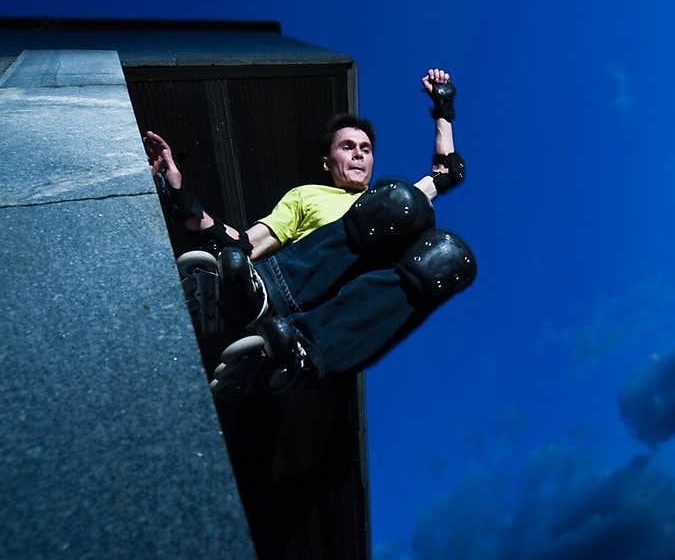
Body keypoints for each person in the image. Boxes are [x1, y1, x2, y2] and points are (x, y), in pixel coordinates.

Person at [144, 68, 476, 403]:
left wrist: (443, 109)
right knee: (397, 202)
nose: (359, 153)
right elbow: (247, 244)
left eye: (366, 148)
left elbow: (447, 172)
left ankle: (304, 353)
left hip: (329, 322)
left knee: (447, 255)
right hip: (288, 289)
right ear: (326, 162)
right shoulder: (307, 196)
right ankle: (259, 297)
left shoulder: (391, 207)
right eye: (347, 147)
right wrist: (181, 197)